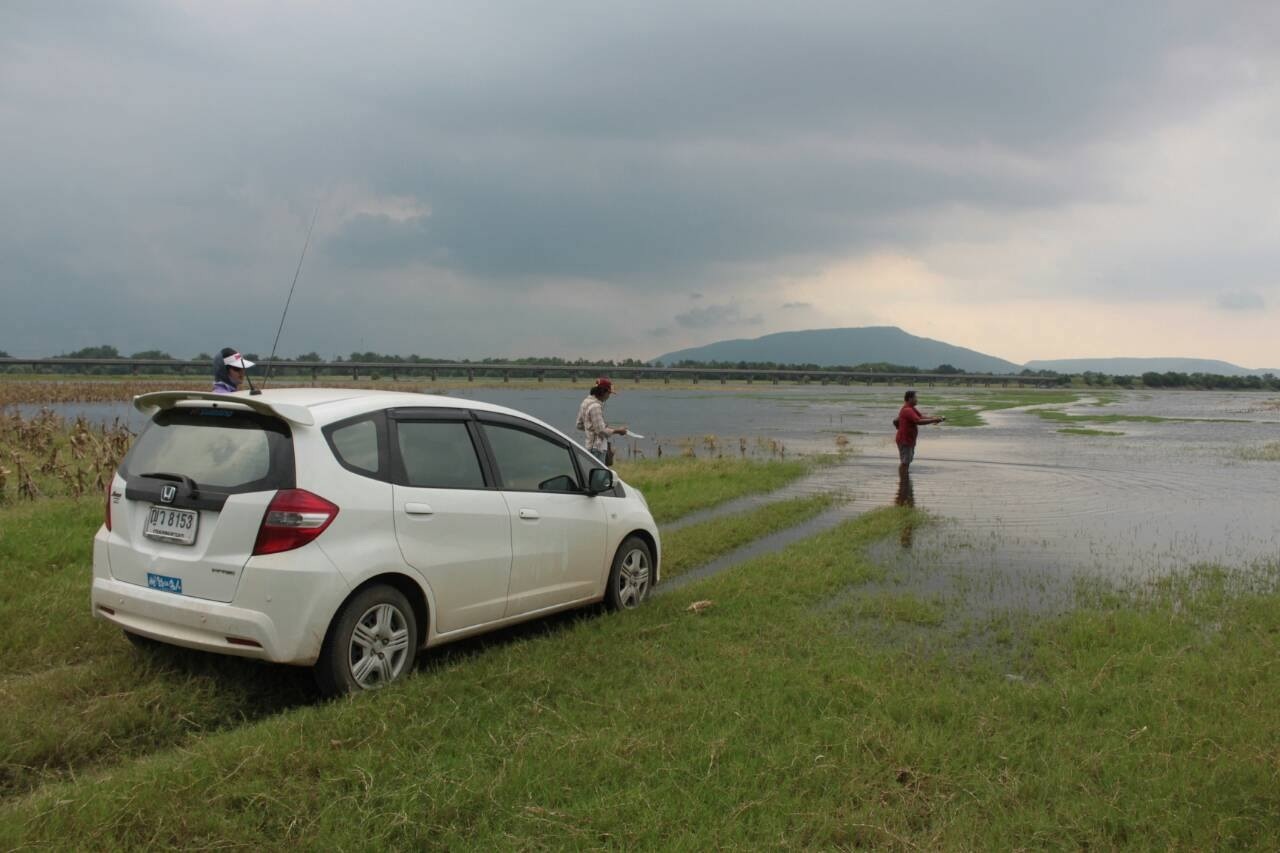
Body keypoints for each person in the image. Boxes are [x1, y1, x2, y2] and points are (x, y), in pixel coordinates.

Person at [576, 377, 627, 465]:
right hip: (597, 449)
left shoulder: (585, 402)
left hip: (589, 446)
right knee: (599, 477)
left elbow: (579, 425)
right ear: (603, 392)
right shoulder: (596, 406)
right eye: (608, 393)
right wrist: (618, 431)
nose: (609, 396)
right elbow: (600, 431)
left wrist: (593, 427)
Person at [894, 389, 944, 473]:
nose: (917, 399)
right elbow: (918, 421)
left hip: (908, 439)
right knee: (905, 463)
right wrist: (933, 421)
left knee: (907, 462)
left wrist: (934, 418)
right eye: (915, 398)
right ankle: (903, 482)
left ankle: (904, 480)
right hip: (905, 440)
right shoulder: (908, 410)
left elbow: (920, 417)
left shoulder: (911, 408)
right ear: (910, 399)